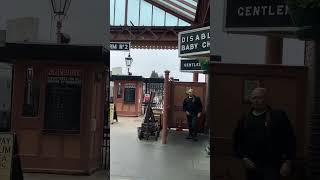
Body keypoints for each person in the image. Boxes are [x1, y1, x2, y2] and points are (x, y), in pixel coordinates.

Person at [232, 87, 296, 180]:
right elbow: (237, 140)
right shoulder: (245, 119)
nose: (257, 101)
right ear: (250, 100)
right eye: (254, 98)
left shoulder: (278, 116)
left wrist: (288, 162)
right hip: (252, 165)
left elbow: (290, 139)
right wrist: (244, 158)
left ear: (266, 100)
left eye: (260, 98)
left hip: (274, 165)